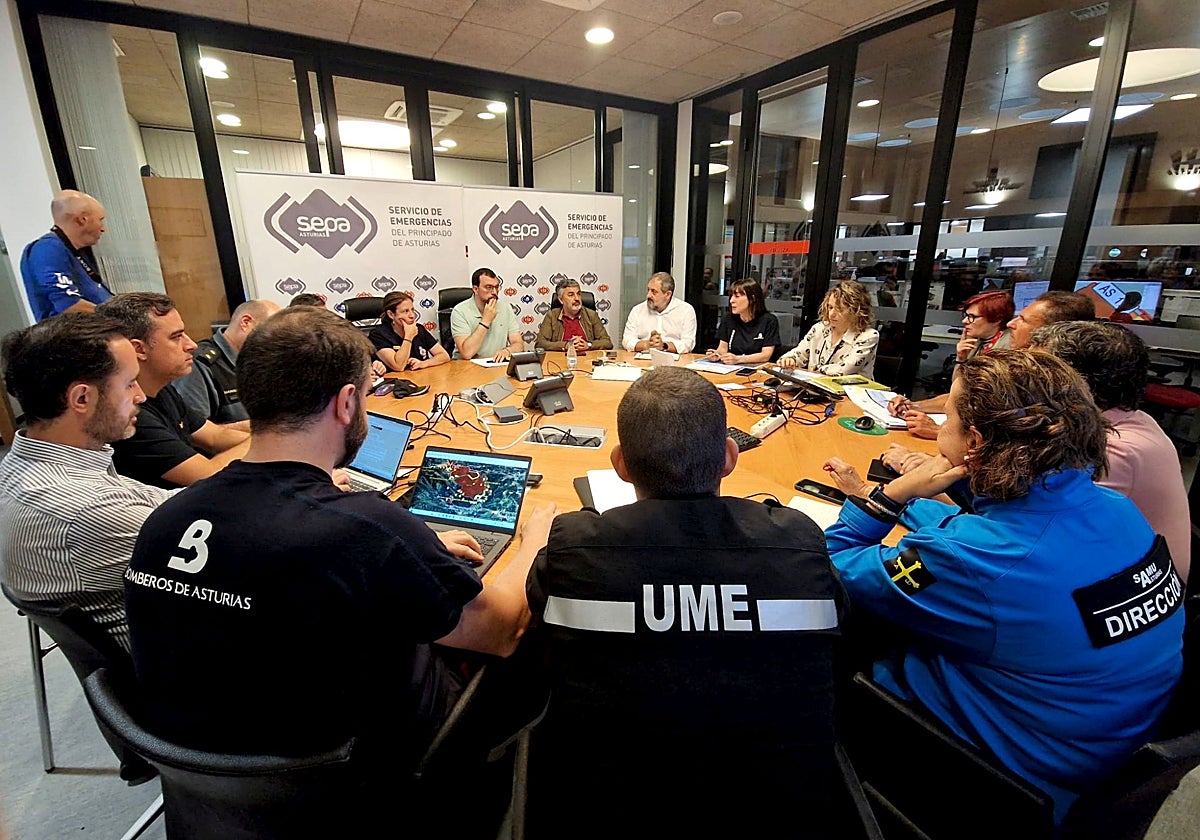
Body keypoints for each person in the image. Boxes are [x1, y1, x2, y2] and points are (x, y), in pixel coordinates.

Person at [124, 306, 556, 797]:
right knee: (533, 633)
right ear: (348, 402)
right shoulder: (366, 527)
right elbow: (500, 630)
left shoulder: (165, 519)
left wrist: (416, 548)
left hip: (202, 772)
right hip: (346, 775)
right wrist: (535, 539)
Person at [822, 350, 1184, 825]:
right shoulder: (1111, 509)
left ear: (974, 441)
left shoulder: (975, 559)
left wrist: (890, 497)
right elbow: (994, 537)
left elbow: (826, 568)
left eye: (946, 416)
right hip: (1105, 752)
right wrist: (900, 503)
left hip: (1001, 780)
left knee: (825, 641)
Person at [524, 366, 845, 838]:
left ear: (620, 464)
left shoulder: (575, 546)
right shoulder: (798, 540)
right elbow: (840, 622)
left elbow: (535, 614)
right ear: (729, 457)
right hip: (781, 810)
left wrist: (538, 537)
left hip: (607, 806)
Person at [0, 312, 171, 653]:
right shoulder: (85, 508)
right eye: (129, 384)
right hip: (185, 677)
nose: (140, 396)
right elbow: (233, 556)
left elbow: (163, 503)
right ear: (81, 399)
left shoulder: (26, 463)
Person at [1030, 321, 1190, 582]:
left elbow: (1041, 537)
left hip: (1130, 590)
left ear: (1077, 383)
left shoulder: (1114, 448)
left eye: (1036, 370)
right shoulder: (1127, 418)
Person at [889, 290, 1094, 438]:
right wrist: (913, 405)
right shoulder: (981, 343)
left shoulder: (1026, 369)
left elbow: (1005, 437)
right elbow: (962, 394)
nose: (1012, 324)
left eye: (1022, 320)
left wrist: (939, 431)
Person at [97, 293, 251, 489]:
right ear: (139, 349)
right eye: (176, 337)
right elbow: (208, 474)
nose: (191, 345)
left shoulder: (162, 390)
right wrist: (272, 439)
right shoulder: (129, 413)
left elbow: (215, 437)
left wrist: (272, 436)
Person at [172, 299, 280, 426]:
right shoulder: (200, 364)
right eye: (273, 331)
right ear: (246, 323)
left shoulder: (261, 359)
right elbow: (193, 431)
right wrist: (263, 428)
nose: (277, 339)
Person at [20, 190, 112, 321]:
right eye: (100, 220)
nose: (103, 229)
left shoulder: (70, 250)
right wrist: (120, 318)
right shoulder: (47, 249)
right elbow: (68, 304)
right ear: (82, 219)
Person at [778, 279, 879, 377]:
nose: (831, 314)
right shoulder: (819, 328)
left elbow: (844, 370)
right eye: (830, 307)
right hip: (814, 389)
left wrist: (817, 370)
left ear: (857, 311)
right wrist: (789, 360)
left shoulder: (868, 336)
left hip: (849, 392)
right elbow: (799, 354)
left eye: (840, 310)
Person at [450, 267, 523, 362]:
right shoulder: (459, 311)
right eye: (489, 287)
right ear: (475, 289)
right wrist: (485, 321)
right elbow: (467, 353)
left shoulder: (505, 308)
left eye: (496, 287)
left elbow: (519, 345)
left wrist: (507, 351)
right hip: (467, 367)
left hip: (495, 364)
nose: (494, 292)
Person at [706, 277, 780, 365]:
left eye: (737, 296)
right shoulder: (728, 319)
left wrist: (739, 359)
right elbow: (722, 349)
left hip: (758, 368)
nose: (731, 301)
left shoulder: (769, 321)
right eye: (731, 296)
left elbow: (765, 355)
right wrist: (717, 355)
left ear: (752, 299)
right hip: (731, 368)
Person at [370, 290, 449, 371]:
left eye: (412, 310)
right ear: (391, 314)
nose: (412, 315)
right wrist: (408, 336)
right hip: (396, 381)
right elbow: (398, 366)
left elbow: (444, 355)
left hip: (422, 378)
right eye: (405, 311)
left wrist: (423, 363)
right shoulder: (378, 335)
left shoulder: (419, 328)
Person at [621, 271, 696, 354]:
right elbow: (627, 340)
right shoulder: (637, 310)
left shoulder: (686, 310)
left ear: (668, 294)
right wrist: (647, 344)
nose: (648, 295)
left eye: (654, 292)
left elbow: (688, 343)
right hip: (642, 358)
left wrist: (663, 346)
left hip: (674, 360)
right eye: (648, 290)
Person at [535, 278, 613, 354]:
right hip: (560, 361)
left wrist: (589, 345)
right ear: (561, 300)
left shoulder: (591, 315)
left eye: (578, 294)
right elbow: (540, 344)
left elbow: (607, 343)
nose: (576, 298)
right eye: (571, 295)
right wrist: (565, 345)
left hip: (587, 361)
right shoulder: (552, 316)